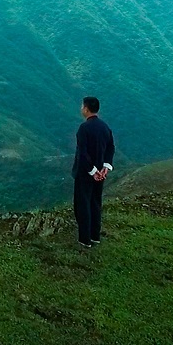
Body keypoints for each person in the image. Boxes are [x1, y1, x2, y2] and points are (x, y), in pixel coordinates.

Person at [72, 96, 115, 248]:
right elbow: (110, 148)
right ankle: (95, 236)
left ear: (86, 109)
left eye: (82, 106)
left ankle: (84, 239)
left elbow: (82, 153)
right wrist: (105, 167)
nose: (81, 109)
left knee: (83, 205)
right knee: (95, 203)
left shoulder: (84, 128)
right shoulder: (105, 127)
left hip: (85, 173)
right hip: (100, 174)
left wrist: (92, 170)